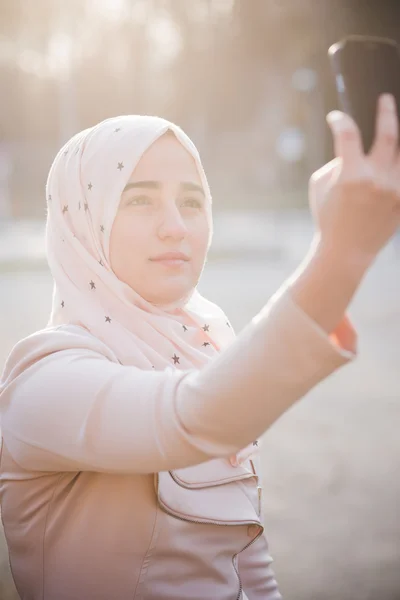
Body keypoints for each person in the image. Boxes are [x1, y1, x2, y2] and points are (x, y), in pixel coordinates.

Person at [0, 94, 399, 600]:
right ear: (82, 220)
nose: (177, 226)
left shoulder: (202, 347)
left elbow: (247, 563)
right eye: (139, 199)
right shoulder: (43, 381)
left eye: (191, 201)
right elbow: (195, 415)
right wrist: (341, 257)